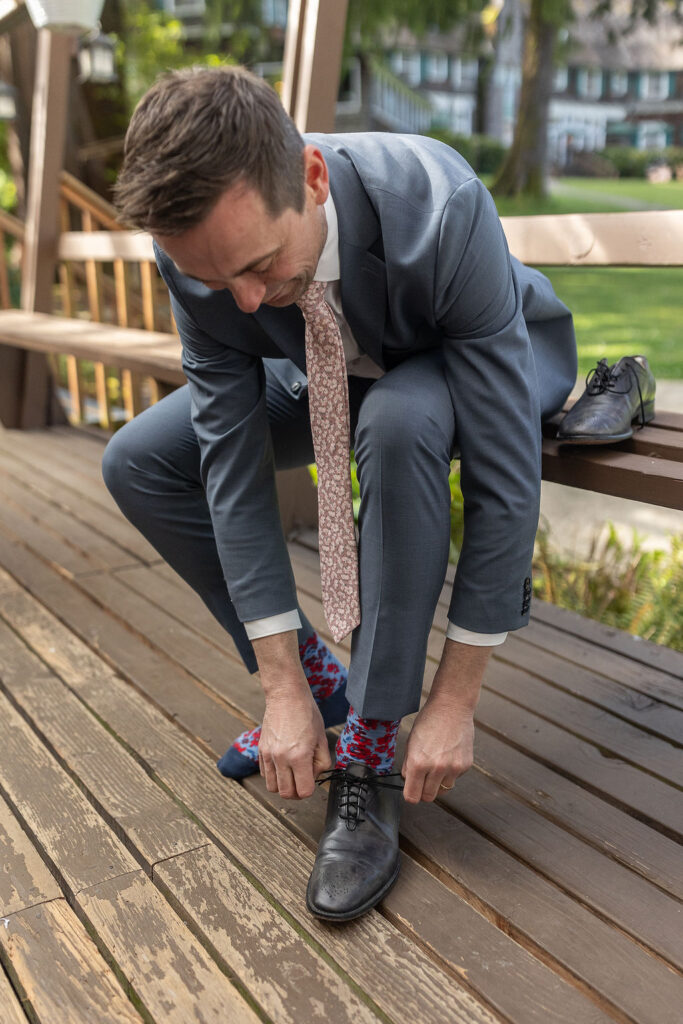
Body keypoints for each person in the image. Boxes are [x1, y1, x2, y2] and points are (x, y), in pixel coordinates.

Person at [104, 65, 577, 922]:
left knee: (396, 424)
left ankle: (369, 746)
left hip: (483, 362)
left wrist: (454, 701)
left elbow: (507, 479)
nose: (242, 301)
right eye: (218, 283)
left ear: (312, 179)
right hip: (332, 369)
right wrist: (281, 683)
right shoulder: (201, 258)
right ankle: (327, 684)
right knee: (139, 458)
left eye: (255, 266)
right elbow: (230, 456)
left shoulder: (440, 202)